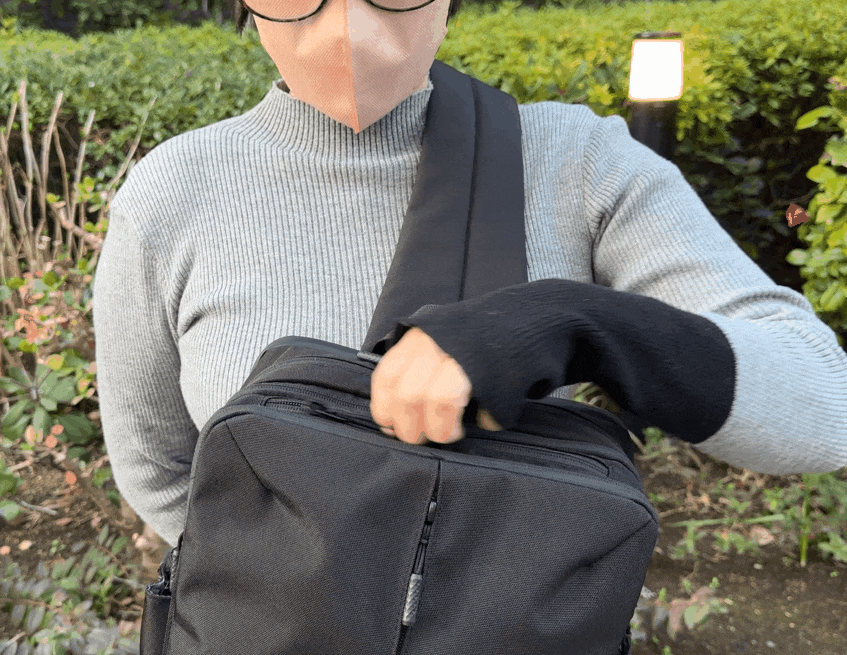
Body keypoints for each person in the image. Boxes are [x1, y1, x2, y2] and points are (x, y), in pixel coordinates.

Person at [92, 0, 847, 550]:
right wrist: (281, 590)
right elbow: (158, 466)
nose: (346, 22)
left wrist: (573, 324)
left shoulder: (578, 165)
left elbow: (825, 406)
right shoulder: (172, 193)